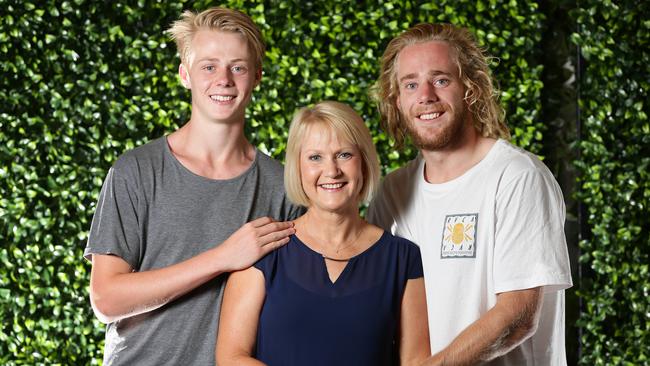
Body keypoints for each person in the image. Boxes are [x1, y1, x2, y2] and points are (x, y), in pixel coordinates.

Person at [84, 7, 303, 365]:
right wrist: (222, 258)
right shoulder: (136, 171)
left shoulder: (285, 187)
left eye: (238, 67)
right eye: (208, 66)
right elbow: (106, 299)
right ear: (185, 75)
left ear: (257, 76)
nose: (224, 79)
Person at [368, 23, 573, 365]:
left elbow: (518, 316)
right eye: (410, 84)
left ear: (471, 88)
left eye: (441, 80)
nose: (426, 96)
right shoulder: (393, 192)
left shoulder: (516, 177)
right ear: (397, 101)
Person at [216, 101, 430, 366]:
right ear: (298, 166)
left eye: (344, 155)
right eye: (315, 157)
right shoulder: (263, 249)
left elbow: (416, 362)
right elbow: (231, 358)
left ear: (363, 162)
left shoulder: (403, 258)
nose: (332, 171)